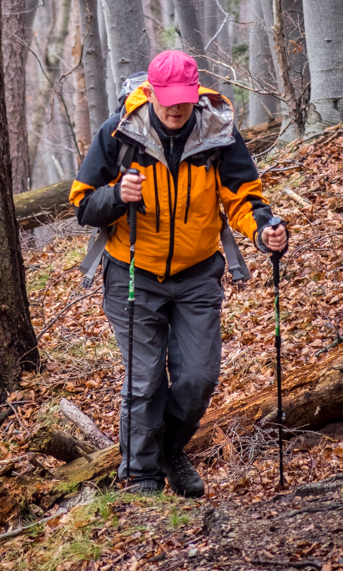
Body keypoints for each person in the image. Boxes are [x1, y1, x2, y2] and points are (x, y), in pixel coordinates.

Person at [69, 50, 287, 496]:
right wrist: (117, 194)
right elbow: (83, 205)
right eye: (166, 99)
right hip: (133, 274)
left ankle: (168, 451)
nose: (175, 108)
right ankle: (141, 476)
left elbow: (244, 198)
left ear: (195, 94)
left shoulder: (218, 135)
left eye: (183, 99)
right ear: (150, 93)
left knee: (198, 379)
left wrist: (264, 232)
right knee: (145, 381)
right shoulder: (118, 134)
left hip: (197, 275)